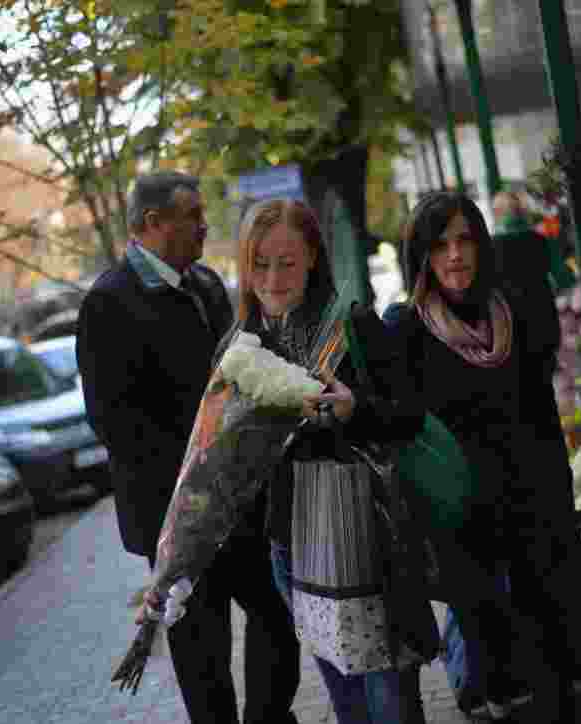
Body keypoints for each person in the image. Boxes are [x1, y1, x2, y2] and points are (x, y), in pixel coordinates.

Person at [76, 172, 302, 724]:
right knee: (205, 663)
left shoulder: (203, 283)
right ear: (153, 224)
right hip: (176, 519)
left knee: (278, 618)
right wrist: (197, 468)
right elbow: (113, 425)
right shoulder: (109, 302)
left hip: (238, 504)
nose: (204, 225)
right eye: (192, 215)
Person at [226, 197, 431, 724]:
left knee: (386, 689)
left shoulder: (353, 324)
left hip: (364, 530)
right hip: (290, 542)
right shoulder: (244, 343)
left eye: (287, 262)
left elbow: (409, 414)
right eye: (259, 264)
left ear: (313, 257)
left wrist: (354, 409)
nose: (272, 278)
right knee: (345, 696)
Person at [383, 191, 578, 724]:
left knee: (549, 637)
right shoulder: (407, 330)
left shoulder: (512, 311)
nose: (454, 255)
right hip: (462, 515)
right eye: (440, 244)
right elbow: (399, 427)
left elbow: (541, 410)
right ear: (421, 256)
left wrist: (559, 497)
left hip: (530, 496)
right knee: (488, 645)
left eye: (464, 239)